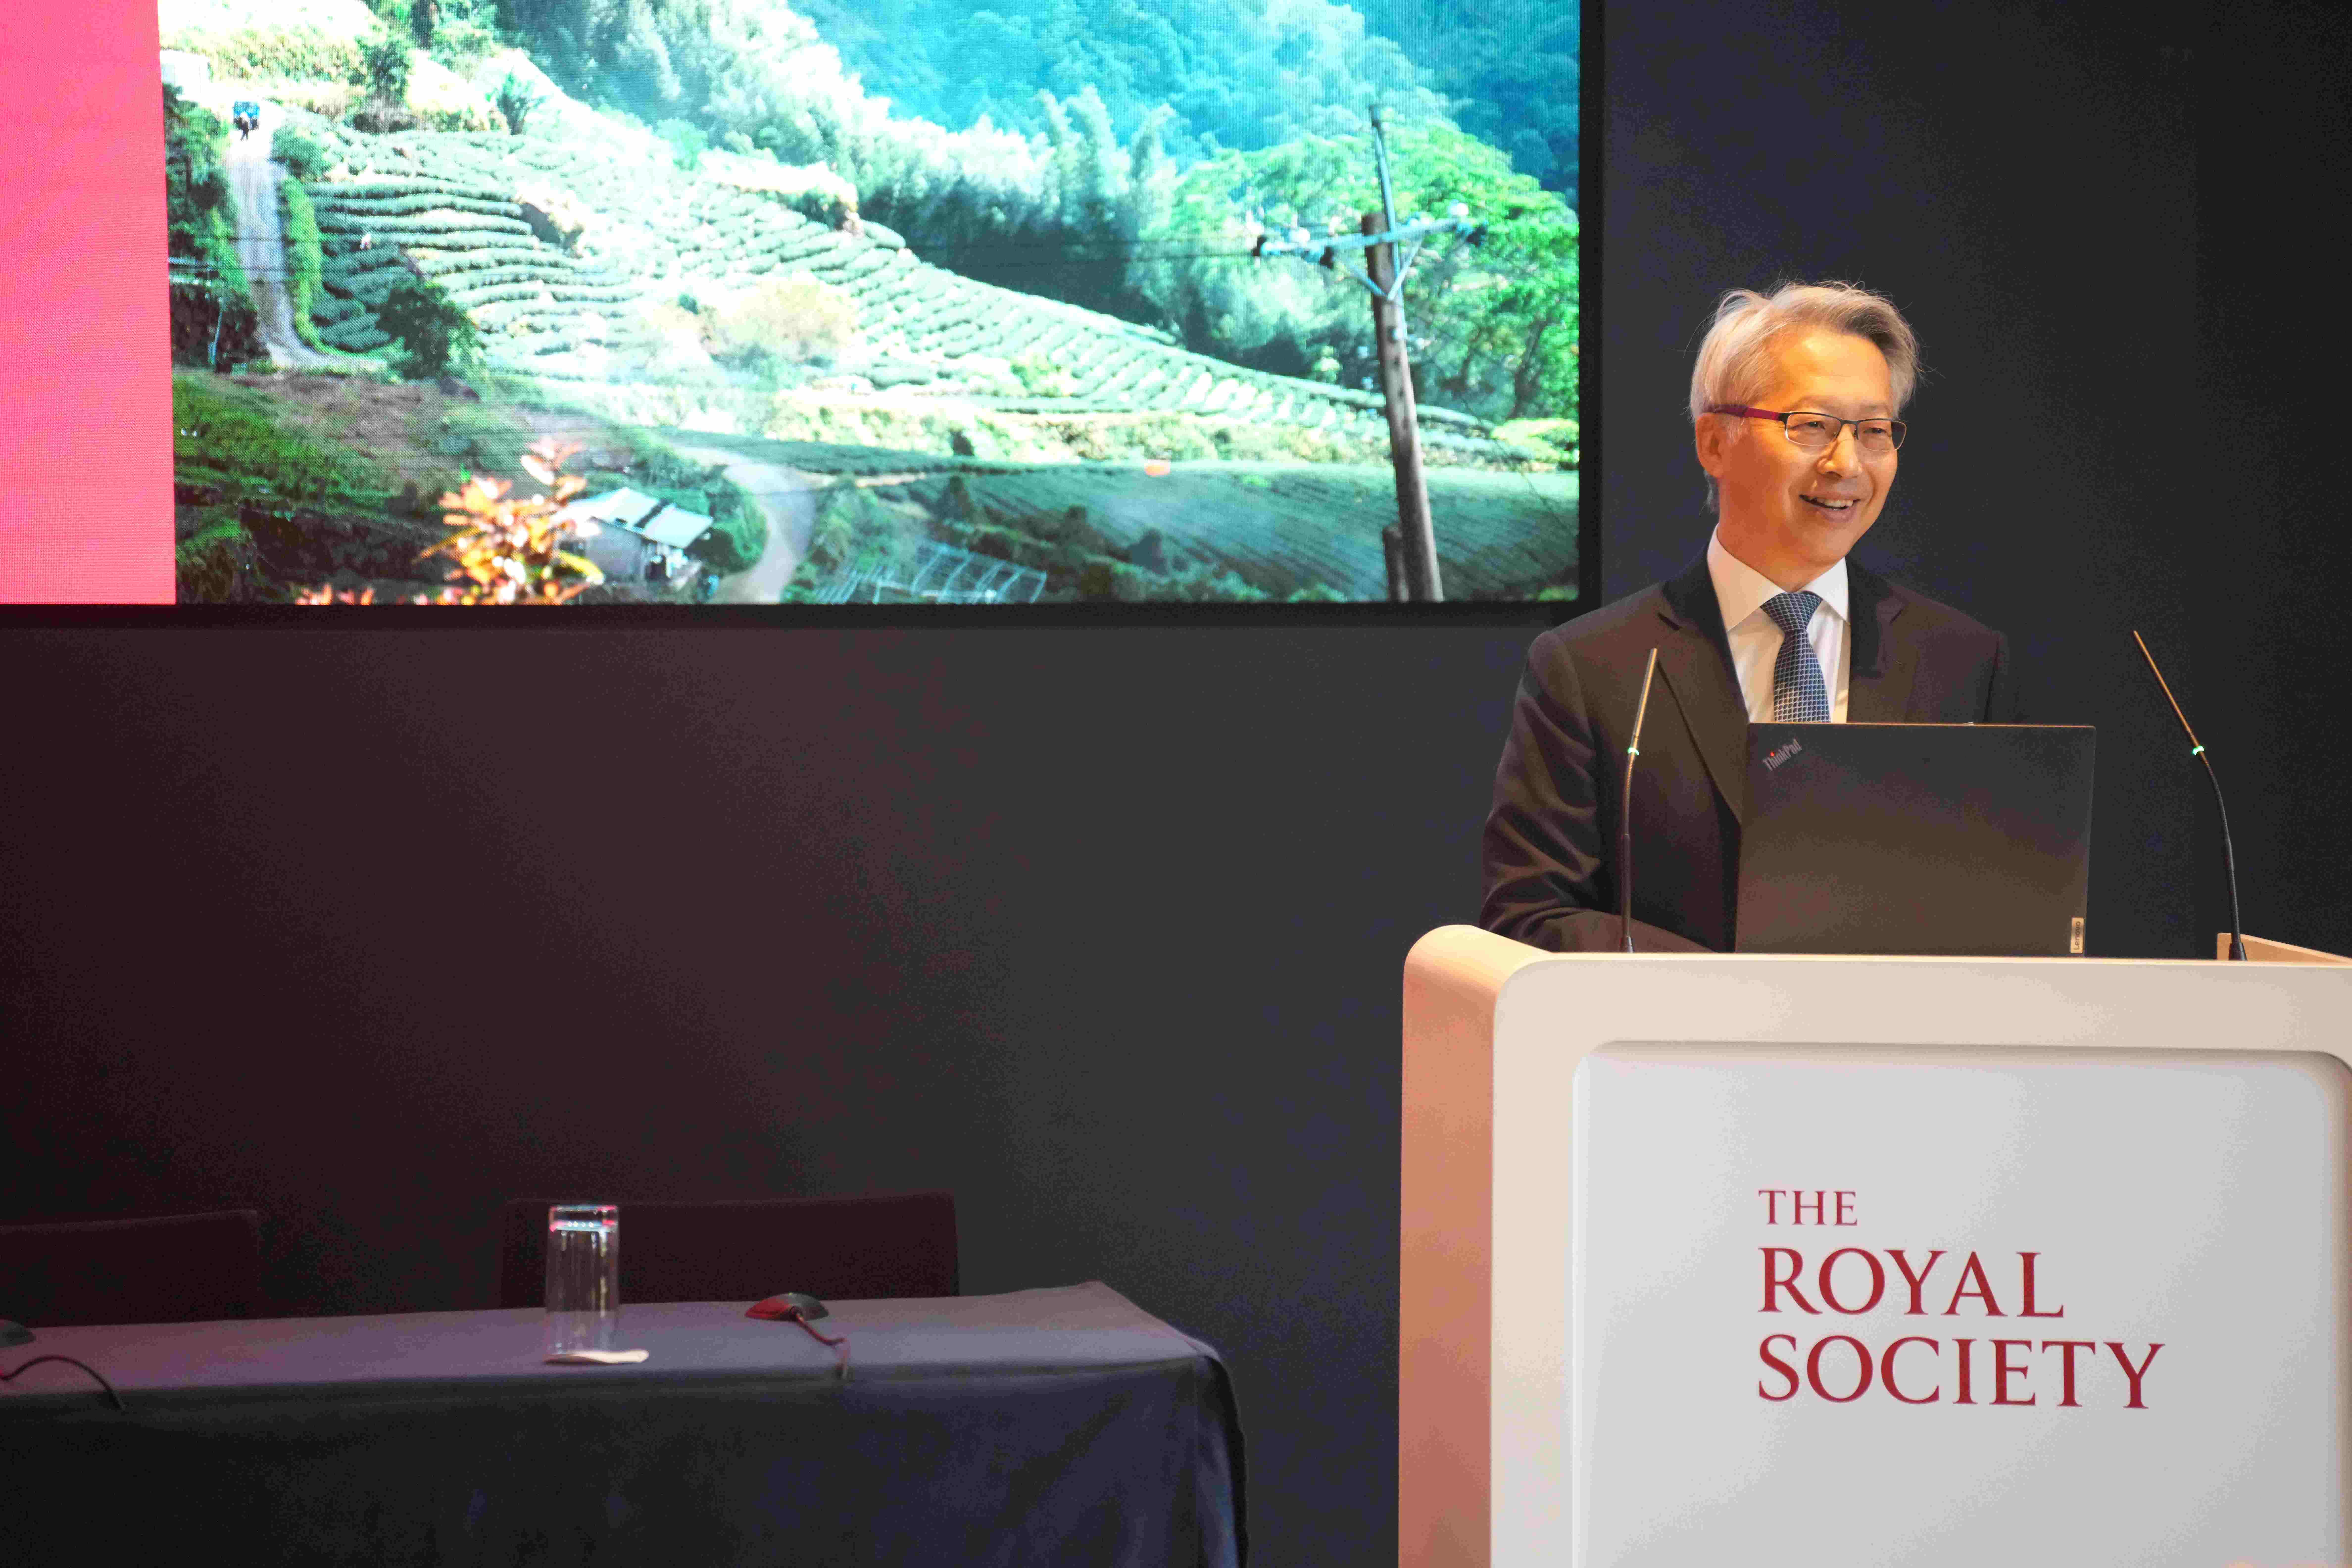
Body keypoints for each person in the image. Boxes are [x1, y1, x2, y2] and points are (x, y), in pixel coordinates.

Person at [1480, 281, 2014, 953]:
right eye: (1811, 426)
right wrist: (1738, 1000)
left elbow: (2007, 914)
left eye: (1874, 432)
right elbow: (1531, 916)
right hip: (1680, 1053)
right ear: (1714, 444)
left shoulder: (1961, 660)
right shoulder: (1592, 668)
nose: (1847, 463)